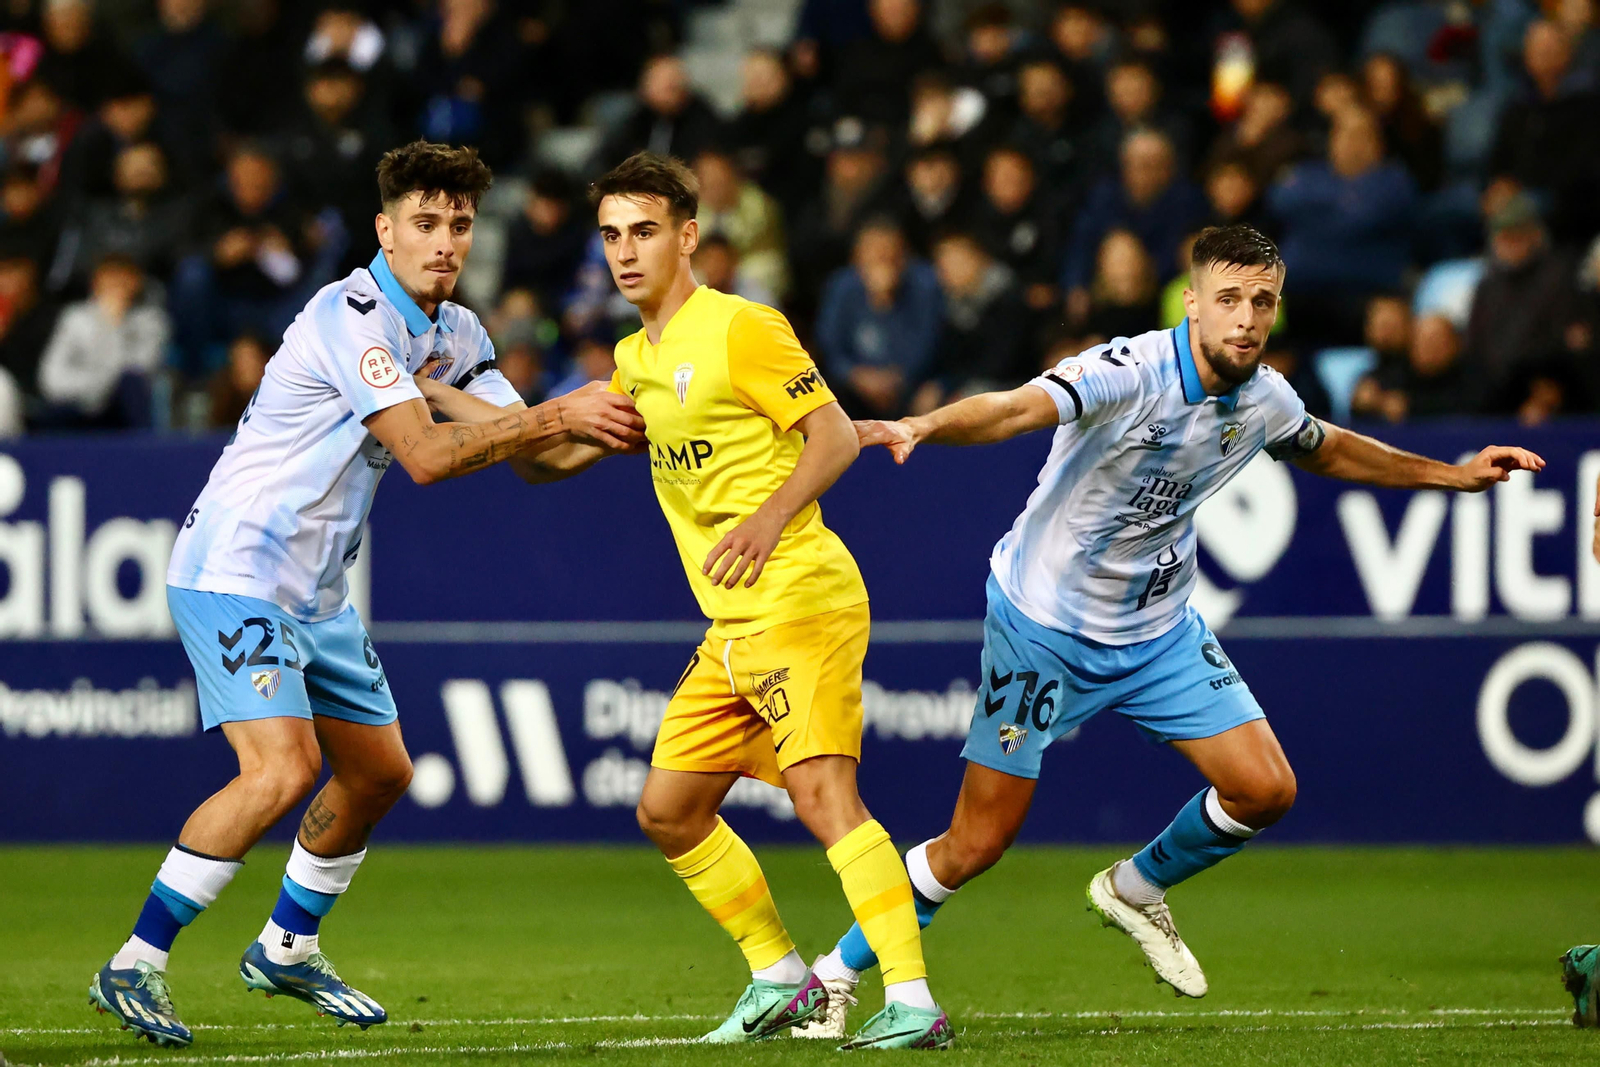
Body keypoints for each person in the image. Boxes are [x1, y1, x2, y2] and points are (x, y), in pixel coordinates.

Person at [798, 224, 1544, 1036]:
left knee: (1265, 789)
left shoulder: (1266, 397)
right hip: (1043, 626)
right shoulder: (1129, 371)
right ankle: (832, 974)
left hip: (1158, 629)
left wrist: (1455, 474)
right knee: (976, 842)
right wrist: (924, 425)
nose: (1246, 318)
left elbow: (1327, 449)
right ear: (1192, 303)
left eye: (1262, 302)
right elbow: (1015, 407)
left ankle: (1136, 887)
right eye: (1228, 299)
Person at [88, 141, 644, 1050]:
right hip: (236, 571)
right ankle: (135, 961)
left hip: (315, 593)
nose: (445, 242)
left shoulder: (458, 334)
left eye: (459, 225)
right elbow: (428, 457)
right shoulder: (349, 314)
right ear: (385, 229)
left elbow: (539, 455)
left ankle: (288, 943)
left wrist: (629, 418)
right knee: (280, 769)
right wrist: (558, 412)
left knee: (381, 771)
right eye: (425, 223)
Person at [419, 151, 951, 1049]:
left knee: (825, 797)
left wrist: (770, 519)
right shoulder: (634, 357)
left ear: (688, 235)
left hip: (798, 595)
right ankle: (780, 976)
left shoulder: (742, 327)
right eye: (612, 236)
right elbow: (549, 460)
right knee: (668, 808)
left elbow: (830, 436)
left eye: (645, 232)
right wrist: (426, 390)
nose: (626, 253)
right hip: (732, 622)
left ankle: (912, 998)